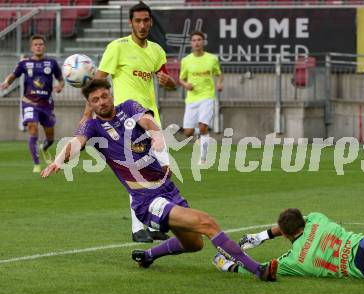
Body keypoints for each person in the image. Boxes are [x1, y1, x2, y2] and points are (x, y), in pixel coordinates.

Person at [41, 79, 278, 282]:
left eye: (104, 96)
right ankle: (259, 270)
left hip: (167, 188)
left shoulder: (128, 106)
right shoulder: (92, 125)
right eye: (95, 99)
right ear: (90, 104)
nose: (102, 102)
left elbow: (146, 120)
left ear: (111, 94)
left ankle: (148, 256)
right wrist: (59, 161)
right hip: (147, 200)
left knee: (195, 244)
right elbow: (76, 142)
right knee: (207, 223)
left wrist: (156, 135)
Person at [81, 2, 176, 242]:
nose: (142, 25)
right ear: (130, 23)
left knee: (163, 172)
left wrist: (170, 83)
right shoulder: (117, 47)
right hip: (124, 120)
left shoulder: (157, 51)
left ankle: (153, 224)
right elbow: (97, 82)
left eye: (146, 21)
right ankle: (137, 228)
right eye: (138, 21)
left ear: (151, 22)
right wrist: (87, 114)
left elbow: (167, 79)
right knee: (136, 175)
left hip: (149, 118)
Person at [214, 208, 364, 280]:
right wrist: (264, 235)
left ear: (287, 236)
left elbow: (263, 269)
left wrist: (228, 265)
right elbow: (293, 222)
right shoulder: (316, 218)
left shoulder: (295, 260)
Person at [0, 35, 64, 173]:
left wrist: (60, 86)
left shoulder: (52, 63)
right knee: (32, 127)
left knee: (50, 138)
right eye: (36, 44)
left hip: (46, 104)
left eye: (41, 44)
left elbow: (60, 79)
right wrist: (6, 83)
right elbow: (13, 75)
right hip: (29, 103)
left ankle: (45, 148)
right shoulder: (24, 63)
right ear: (31, 47)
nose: (38, 46)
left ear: (44, 46)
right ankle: (36, 164)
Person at [179, 31, 223, 164]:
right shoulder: (186, 60)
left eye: (199, 40)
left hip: (207, 97)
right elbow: (181, 79)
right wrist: (186, 85)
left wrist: (219, 83)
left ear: (203, 42)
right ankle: (200, 134)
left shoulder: (212, 59)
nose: (196, 42)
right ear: (191, 43)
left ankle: (203, 158)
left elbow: (219, 74)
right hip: (192, 99)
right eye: (194, 40)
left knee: (204, 127)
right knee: (188, 132)